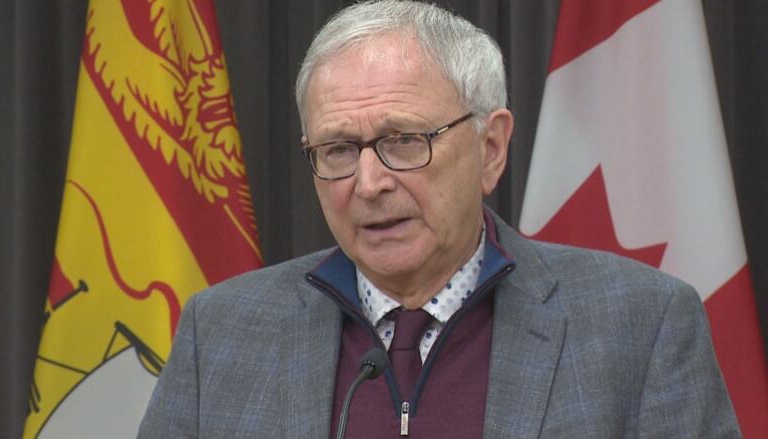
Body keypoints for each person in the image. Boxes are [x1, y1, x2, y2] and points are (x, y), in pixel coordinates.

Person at [138, 1, 740, 437]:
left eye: (403, 141)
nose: (369, 184)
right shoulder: (219, 333)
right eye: (338, 150)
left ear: (491, 148)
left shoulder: (640, 324)